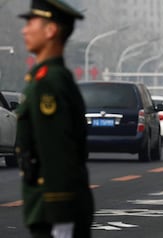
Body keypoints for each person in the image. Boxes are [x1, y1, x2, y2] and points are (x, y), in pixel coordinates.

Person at [16, 1, 94, 237]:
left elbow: (56, 151)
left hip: (53, 211)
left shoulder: (49, 82)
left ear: (50, 31)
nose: (24, 30)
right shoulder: (49, 77)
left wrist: (61, 217)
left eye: (31, 23)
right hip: (53, 207)